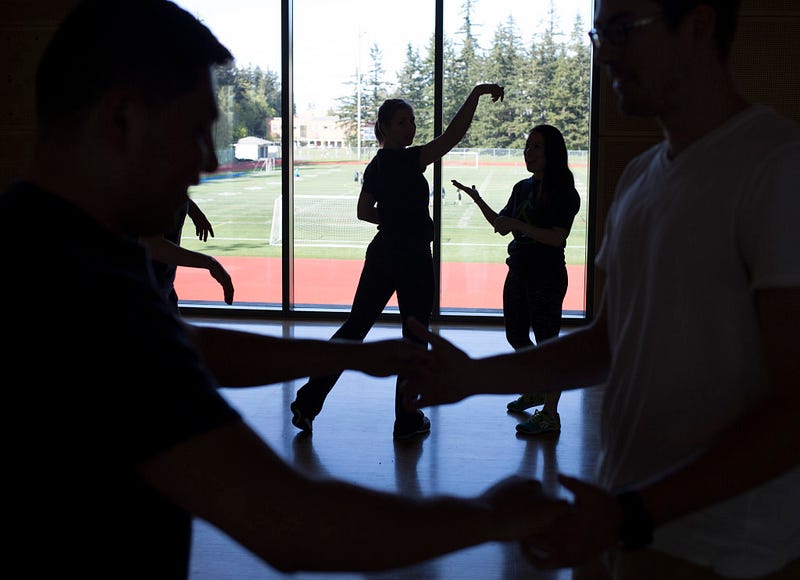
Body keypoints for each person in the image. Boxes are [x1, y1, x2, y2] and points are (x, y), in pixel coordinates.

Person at [1, 1, 568, 577]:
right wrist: (493, 516)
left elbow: (187, 348)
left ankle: (316, 396)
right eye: (197, 131)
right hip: (407, 257)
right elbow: (292, 523)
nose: (205, 162)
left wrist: (353, 354)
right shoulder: (78, 294)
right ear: (120, 118)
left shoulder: (56, 251)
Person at [405, 0, 800, 577]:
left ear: (698, 23)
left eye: (621, 29)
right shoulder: (641, 177)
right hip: (623, 533)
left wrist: (629, 513)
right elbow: (606, 342)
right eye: (600, 31)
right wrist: (475, 378)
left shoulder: (777, 169)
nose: (604, 49)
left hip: (730, 554)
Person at [290, 83, 505, 439]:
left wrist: (392, 219)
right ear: (385, 127)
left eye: (412, 121)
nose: (411, 128)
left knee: (354, 328)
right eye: (403, 122)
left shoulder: (375, 166)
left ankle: (307, 403)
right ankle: (406, 421)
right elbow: (453, 135)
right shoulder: (409, 159)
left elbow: (363, 212)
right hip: (414, 257)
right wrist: (476, 94)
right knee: (415, 338)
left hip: (383, 252)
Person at [451, 123, 580, 436]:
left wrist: (518, 226)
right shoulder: (522, 188)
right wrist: (476, 199)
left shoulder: (564, 193)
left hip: (547, 275)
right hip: (518, 271)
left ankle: (550, 413)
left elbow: (556, 239)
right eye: (527, 146)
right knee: (516, 335)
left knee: (548, 345)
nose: (528, 152)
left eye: (536, 147)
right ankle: (536, 387)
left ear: (552, 153)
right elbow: (501, 225)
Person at [141, 198, 235, 311]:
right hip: (142, 292)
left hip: (162, 285)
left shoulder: (164, 186)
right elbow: (152, 246)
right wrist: (210, 263)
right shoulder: (149, 190)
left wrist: (192, 208)